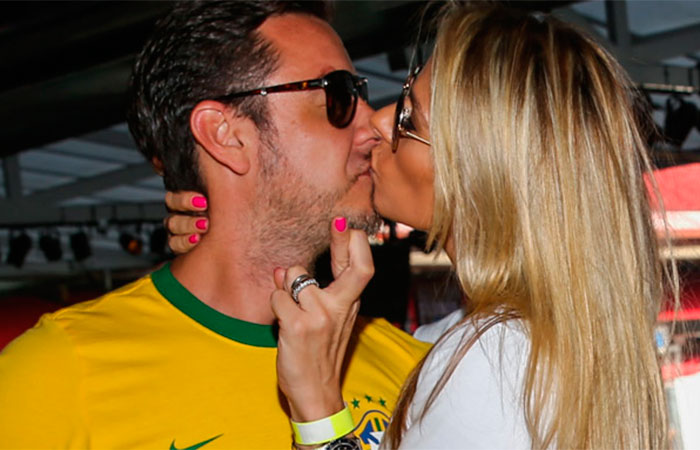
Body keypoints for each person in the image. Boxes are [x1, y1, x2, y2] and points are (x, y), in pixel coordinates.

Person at [170, 4, 678, 449]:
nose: (375, 121)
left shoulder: (493, 359)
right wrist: (241, 223)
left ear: (480, 173)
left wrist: (318, 410)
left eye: (410, 119)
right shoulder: (533, 340)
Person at [0, 2, 429, 449]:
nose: (375, 123)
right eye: (338, 96)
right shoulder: (59, 378)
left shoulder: (418, 371)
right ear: (225, 135)